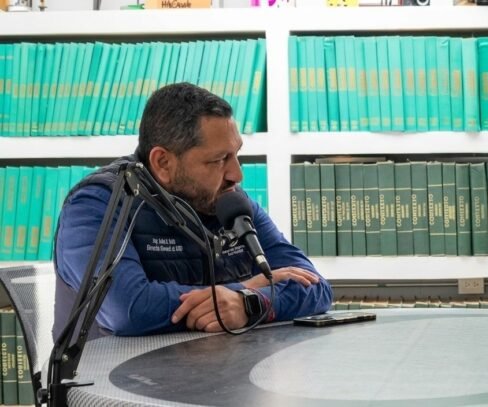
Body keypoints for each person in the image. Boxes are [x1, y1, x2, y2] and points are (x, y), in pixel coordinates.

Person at [53, 82, 332, 338]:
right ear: (163, 163)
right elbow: (128, 309)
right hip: (112, 375)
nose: (237, 174)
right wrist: (246, 288)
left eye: (236, 154)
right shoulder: (94, 205)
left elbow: (316, 287)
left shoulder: (228, 200)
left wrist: (249, 303)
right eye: (219, 160)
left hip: (213, 371)